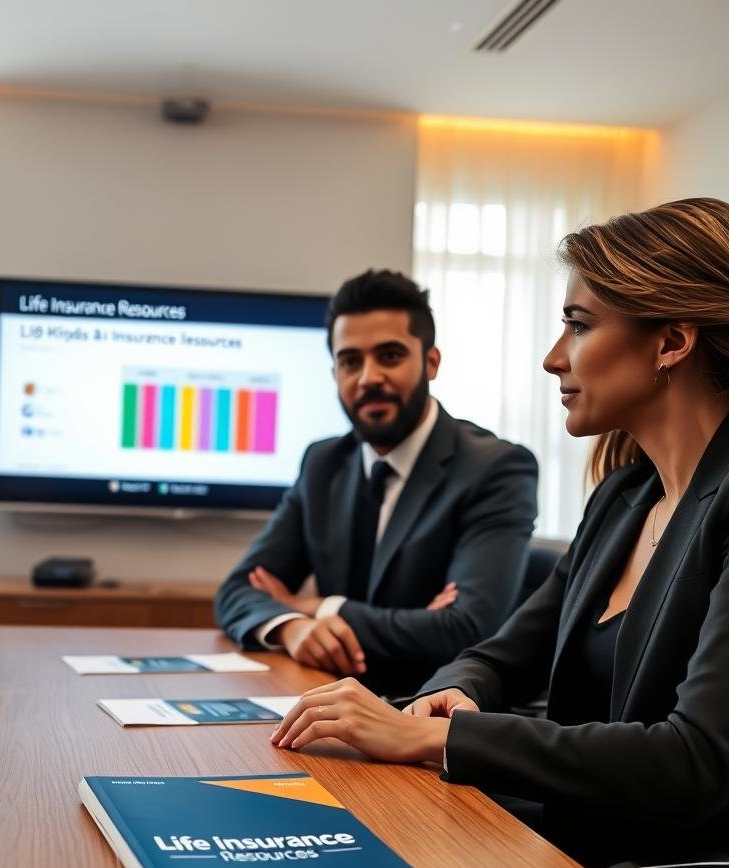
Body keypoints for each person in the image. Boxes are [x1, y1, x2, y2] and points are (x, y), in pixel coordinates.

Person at [271, 197, 729, 868]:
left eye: (577, 326)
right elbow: (500, 654)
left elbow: (694, 761)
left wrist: (430, 739)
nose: (552, 359)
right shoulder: (623, 499)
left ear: (670, 342)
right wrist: (459, 693)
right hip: (564, 845)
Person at [215, 269, 538, 696]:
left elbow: (466, 629)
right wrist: (292, 625)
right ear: (335, 373)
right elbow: (237, 591)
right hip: (331, 707)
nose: (368, 377)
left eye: (389, 356)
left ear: (431, 362)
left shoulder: (495, 467)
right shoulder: (323, 463)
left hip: (430, 719)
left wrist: (324, 608)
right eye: (351, 361)